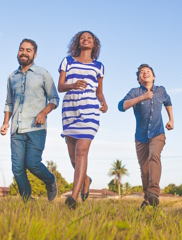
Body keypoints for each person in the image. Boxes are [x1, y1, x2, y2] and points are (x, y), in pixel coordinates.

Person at [0, 39, 60, 202]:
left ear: (35, 54)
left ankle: (50, 180)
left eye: (28, 50)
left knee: (33, 163)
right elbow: (9, 103)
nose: (24, 53)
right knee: (17, 168)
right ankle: (28, 201)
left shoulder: (43, 74)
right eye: (21, 49)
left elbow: (54, 98)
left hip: (36, 128)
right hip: (16, 129)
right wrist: (6, 122)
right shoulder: (12, 77)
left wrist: (44, 112)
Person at [58, 31, 108, 209]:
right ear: (78, 42)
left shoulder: (99, 66)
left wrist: (103, 103)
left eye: (90, 38)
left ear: (94, 44)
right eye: (82, 38)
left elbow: (99, 91)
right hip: (69, 110)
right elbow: (60, 86)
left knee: (81, 152)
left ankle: (74, 197)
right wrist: (73, 85)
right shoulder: (68, 61)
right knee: (73, 158)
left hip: (89, 111)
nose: (86, 40)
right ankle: (86, 179)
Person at [118, 64, 174, 208]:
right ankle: (148, 199)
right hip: (141, 136)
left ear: (153, 76)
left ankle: (154, 192)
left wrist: (171, 119)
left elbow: (168, 102)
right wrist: (142, 97)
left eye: (148, 71)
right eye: (142, 72)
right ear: (139, 79)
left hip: (158, 133)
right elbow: (121, 106)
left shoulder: (161, 90)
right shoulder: (135, 92)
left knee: (154, 155)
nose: (145, 73)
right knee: (144, 170)